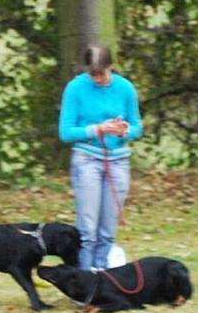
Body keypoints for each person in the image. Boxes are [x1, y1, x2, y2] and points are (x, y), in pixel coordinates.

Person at [58, 44, 143, 270]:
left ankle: (103, 277)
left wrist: (125, 130)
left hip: (118, 160)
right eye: (92, 73)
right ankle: (85, 278)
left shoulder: (126, 88)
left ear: (111, 67)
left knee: (108, 228)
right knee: (87, 228)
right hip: (87, 160)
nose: (97, 79)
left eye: (101, 73)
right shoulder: (75, 88)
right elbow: (66, 132)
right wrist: (97, 129)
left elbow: (137, 127)